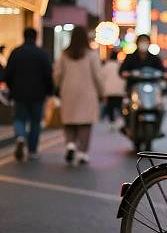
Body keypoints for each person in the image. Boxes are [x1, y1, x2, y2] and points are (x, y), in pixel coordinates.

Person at [53, 26, 103, 165]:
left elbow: (57, 74)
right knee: (85, 124)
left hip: (68, 92)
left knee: (69, 122)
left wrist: (58, 86)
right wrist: (102, 92)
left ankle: (70, 145)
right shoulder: (92, 54)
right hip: (88, 93)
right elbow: (98, 76)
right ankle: (82, 153)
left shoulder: (64, 54)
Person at [5, 28, 53, 161]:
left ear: (24, 36)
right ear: (36, 37)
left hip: (19, 93)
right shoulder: (42, 54)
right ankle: (32, 151)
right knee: (35, 122)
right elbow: (48, 75)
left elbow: (8, 74)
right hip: (38, 94)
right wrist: (49, 91)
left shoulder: (16, 52)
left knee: (19, 118)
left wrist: (11, 88)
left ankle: (20, 137)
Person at [101, 51, 125, 129]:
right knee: (119, 105)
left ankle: (112, 122)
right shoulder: (119, 65)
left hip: (109, 91)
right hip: (119, 90)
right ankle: (120, 120)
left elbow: (102, 78)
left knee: (110, 107)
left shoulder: (106, 66)